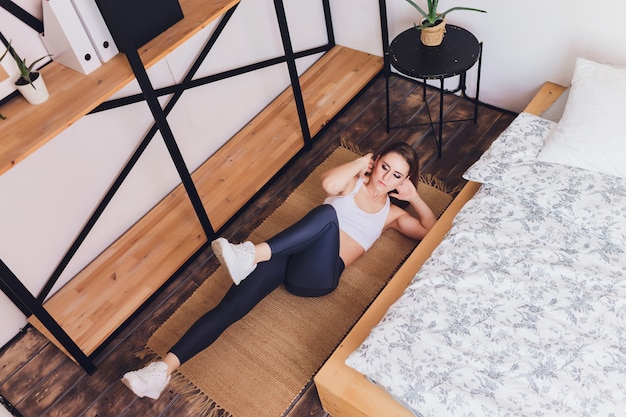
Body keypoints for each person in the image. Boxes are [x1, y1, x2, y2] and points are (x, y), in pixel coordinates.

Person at [121, 141, 437, 399]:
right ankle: (162, 370)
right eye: (384, 166)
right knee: (230, 307)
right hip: (290, 256)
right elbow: (328, 182)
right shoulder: (350, 184)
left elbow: (432, 233)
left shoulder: (391, 215)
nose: (386, 177)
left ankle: (250, 254)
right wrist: (361, 163)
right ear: (376, 160)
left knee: (327, 215)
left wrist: (415, 197)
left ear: (403, 181)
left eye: (397, 175)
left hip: (319, 276)